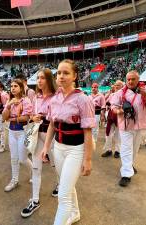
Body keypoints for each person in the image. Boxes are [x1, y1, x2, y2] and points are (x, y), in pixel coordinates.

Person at [40, 59, 95, 225]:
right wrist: (46, 147)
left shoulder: (82, 99)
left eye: (66, 73)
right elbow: (52, 124)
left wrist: (88, 159)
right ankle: (75, 213)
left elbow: (87, 131)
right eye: (59, 73)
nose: (61, 76)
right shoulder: (54, 98)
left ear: (75, 76)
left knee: (63, 195)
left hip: (76, 150)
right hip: (58, 148)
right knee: (66, 185)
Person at [110, 70, 146, 187]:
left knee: (135, 148)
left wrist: (145, 95)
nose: (130, 81)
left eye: (133, 79)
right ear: (126, 80)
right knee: (126, 148)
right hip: (126, 125)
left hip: (141, 124)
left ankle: (129, 165)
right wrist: (120, 111)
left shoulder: (145, 89)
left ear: (138, 79)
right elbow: (113, 106)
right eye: (128, 79)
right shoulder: (121, 92)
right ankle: (126, 174)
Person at [21, 69, 58, 218]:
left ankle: (60, 184)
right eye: (38, 78)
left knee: (56, 165)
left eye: (43, 78)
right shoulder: (36, 97)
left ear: (49, 79)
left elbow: (57, 118)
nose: (39, 81)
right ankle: (35, 200)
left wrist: (44, 117)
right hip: (37, 134)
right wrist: (33, 117)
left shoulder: (56, 97)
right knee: (36, 168)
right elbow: (32, 115)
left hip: (53, 136)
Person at [2, 79, 33, 192]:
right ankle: (14, 180)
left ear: (21, 88)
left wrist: (12, 118)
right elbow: (4, 117)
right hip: (12, 132)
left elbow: (26, 117)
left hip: (22, 132)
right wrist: (9, 105)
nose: (13, 88)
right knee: (13, 158)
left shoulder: (26, 100)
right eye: (11, 86)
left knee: (23, 159)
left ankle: (33, 172)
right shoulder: (9, 101)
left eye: (16, 86)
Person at [101, 80, 124, 158]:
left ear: (122, 86)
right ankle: (108, 150)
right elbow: (106, 101)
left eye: (118, 85)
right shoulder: (112, 94)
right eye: (115, 85)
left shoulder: (124, 95)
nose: (116, 86)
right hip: (111, 115)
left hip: (120, 115)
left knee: (118, 135)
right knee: (108, 134)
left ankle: (118, 151)